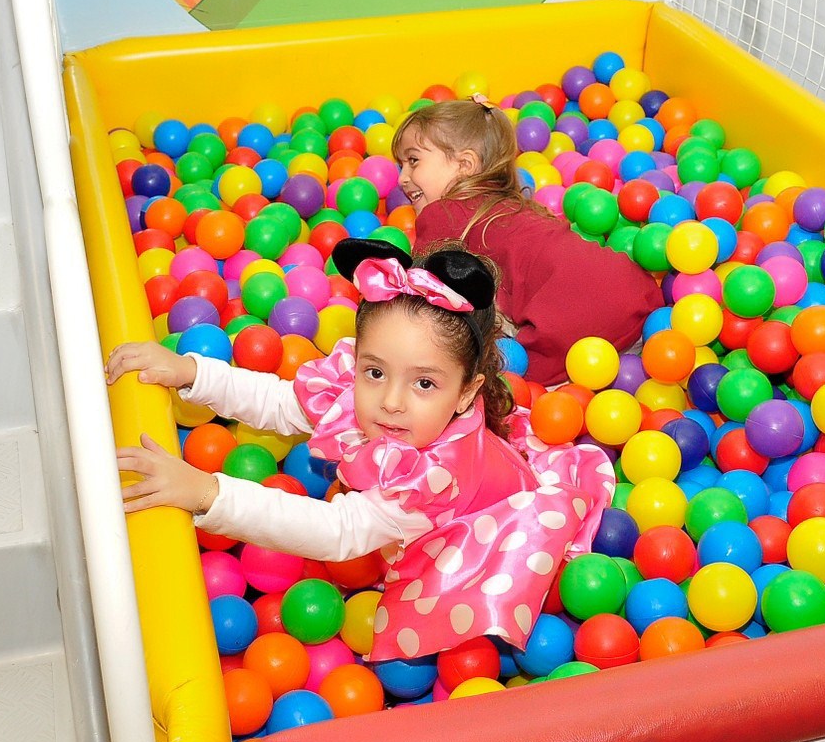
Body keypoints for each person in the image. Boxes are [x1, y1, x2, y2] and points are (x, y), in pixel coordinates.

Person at [107, 239, 615, 661]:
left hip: (486, 537)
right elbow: (285, 403)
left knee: (466, 632)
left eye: (423, 384)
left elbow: (337, 532)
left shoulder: (433, 479)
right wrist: (192, 372)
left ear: (466, 394)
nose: (390, 402)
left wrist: (207, 493)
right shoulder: (375, 403)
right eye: (375, 372)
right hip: (450, 489)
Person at [397, 97, 664, 385]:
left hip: (569, 326)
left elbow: (421, 296)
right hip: (640, 301)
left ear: (465, 164)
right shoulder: (519, 207)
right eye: (400, 165)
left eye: (413, 161)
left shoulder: (442, 213)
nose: (402, 178)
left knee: (496, 379)